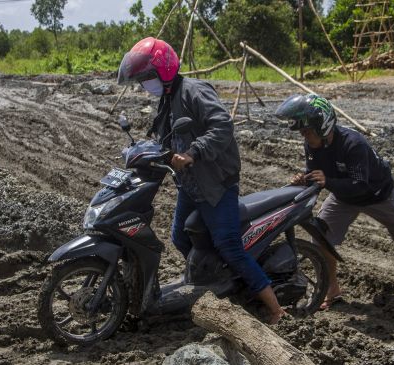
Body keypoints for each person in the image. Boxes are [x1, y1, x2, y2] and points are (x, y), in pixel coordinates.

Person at [117, 37, 286, 323]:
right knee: (180, 236)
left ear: (164, 70)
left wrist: (194, 152)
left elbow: (222, 125)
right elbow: (162, 137)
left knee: (228, 245)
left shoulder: (194, 91)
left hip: (216, 184)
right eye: (142, 80)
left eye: (147, 78)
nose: (145, 85)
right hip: (190, 184)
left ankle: (275, 309)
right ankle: (211, 280)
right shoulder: (167, 100)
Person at [274, 94, 394, 310]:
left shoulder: (354, 144)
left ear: (323, 126)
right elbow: (316, 173)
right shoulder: (312, 146)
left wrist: (328, 181)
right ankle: (332, 289)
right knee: (320, 235)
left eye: (307, 132)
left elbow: (361, 185)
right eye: (302, 133)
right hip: (343, 197)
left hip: (378, 194)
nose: (305, 137)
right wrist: (304, 180)